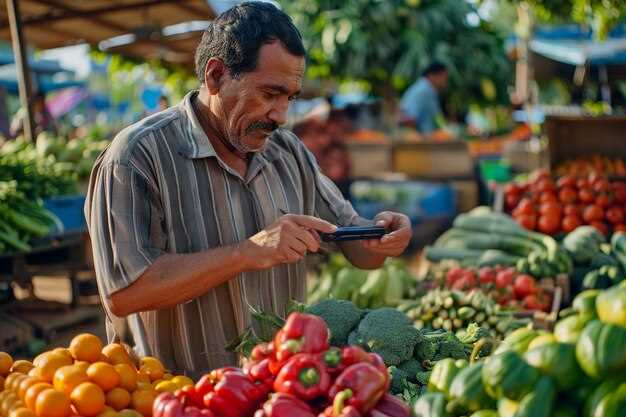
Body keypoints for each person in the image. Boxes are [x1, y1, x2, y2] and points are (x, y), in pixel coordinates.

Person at [85, 2, 412, 376]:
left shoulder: (288, 152)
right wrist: (248, 252)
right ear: (215, 76)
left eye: (290, 98)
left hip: (278, 391)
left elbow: (356, 246)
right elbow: (125, 293)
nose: (282, 115)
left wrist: (382, 237)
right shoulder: (136, 158)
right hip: (175, 397)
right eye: (269, 94)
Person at [398, 62, 449, 134]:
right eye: (444, 77)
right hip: (421, 141)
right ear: (431, 75)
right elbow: (408, 120)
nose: (445, 81)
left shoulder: (429, 90)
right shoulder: (423, 90)